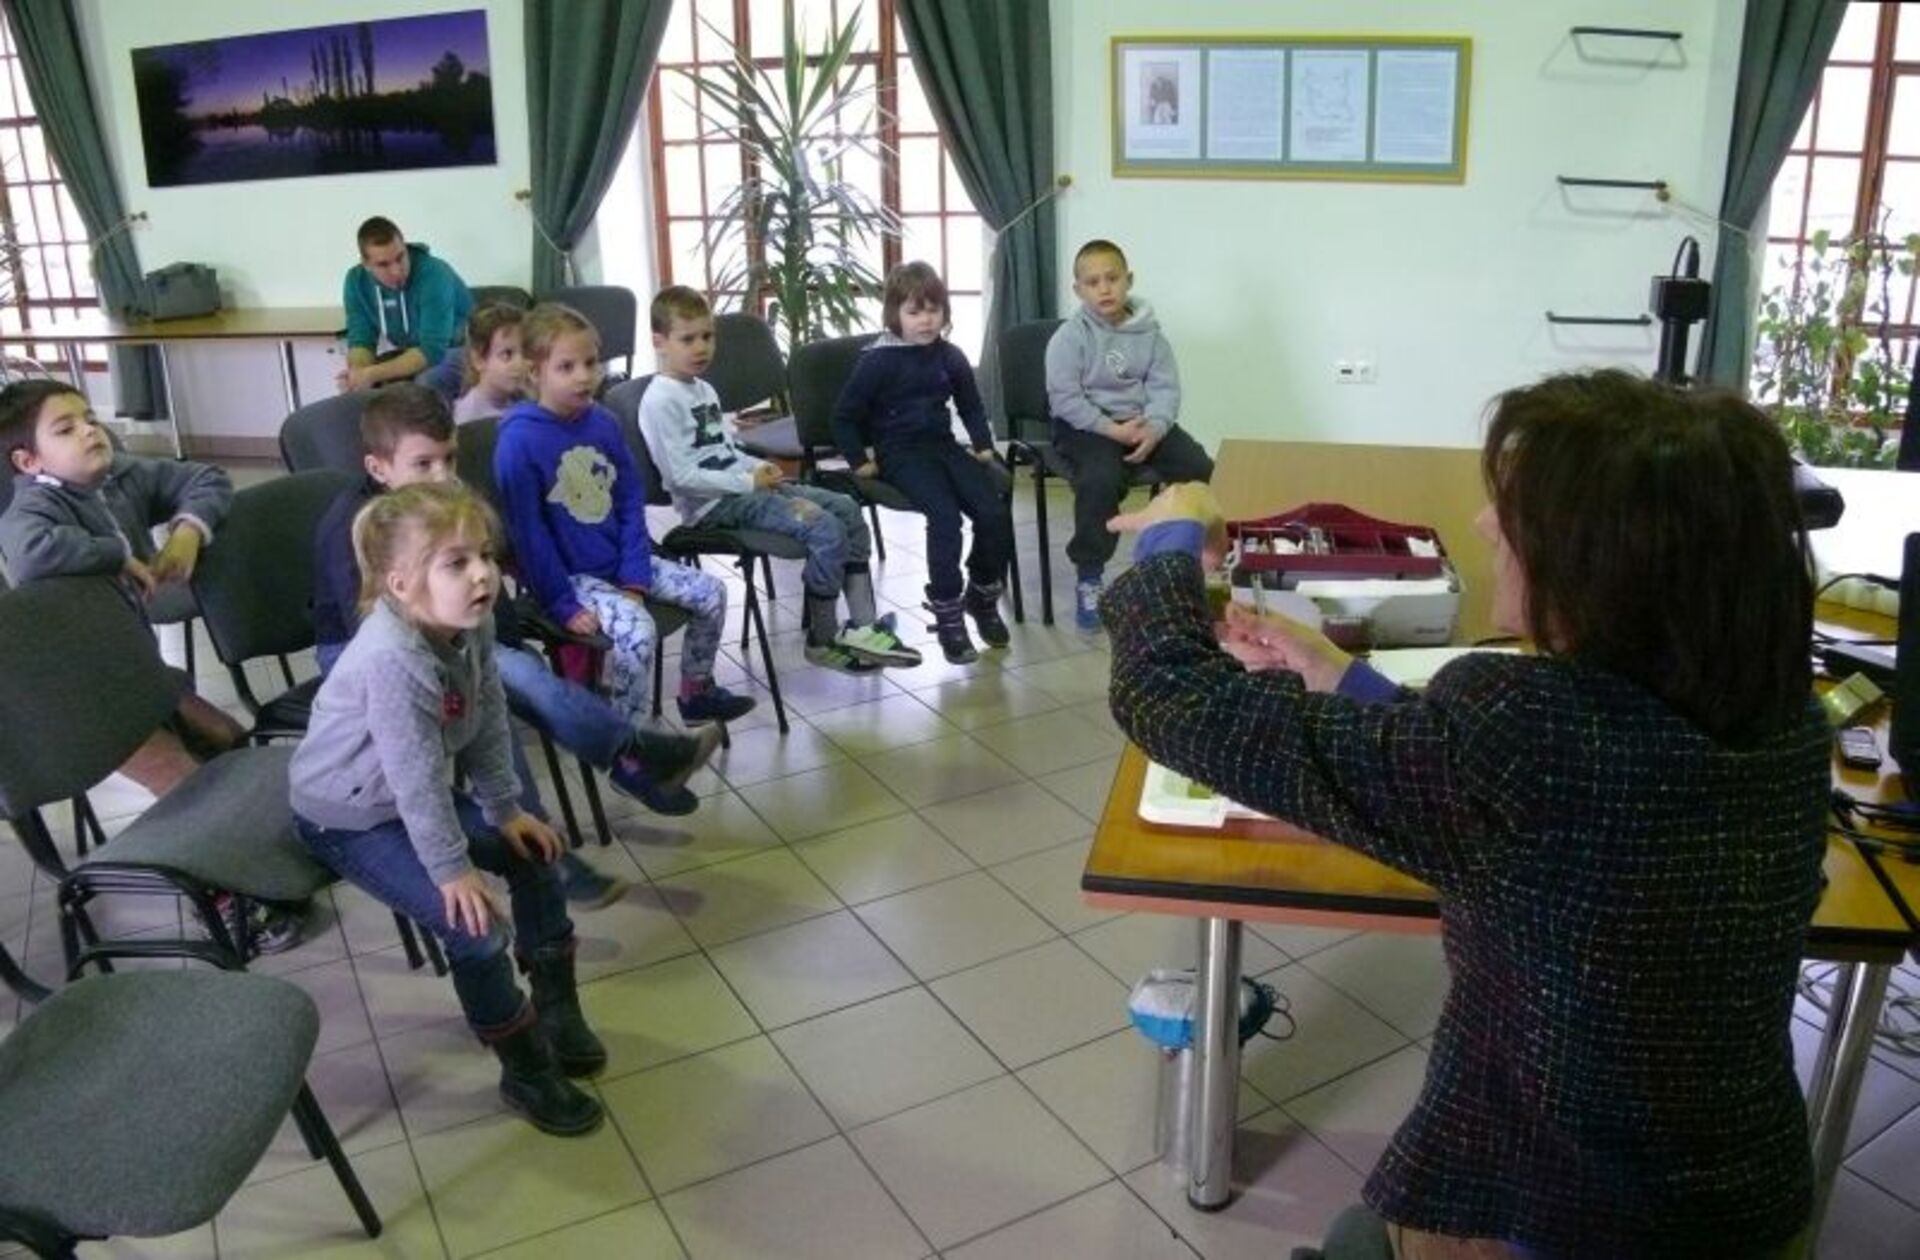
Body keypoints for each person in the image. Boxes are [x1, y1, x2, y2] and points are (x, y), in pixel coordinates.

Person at [1104, 370, 1825, 1260]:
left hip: (1559, 1215)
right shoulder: (1790, 722)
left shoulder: (1523, 733)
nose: (1486, 527)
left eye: (1514, 511)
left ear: (1611, 562)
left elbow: (1174, 697)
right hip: (1749, 1202)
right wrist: (1342, 678)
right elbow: (1549, 807)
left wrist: (1173, 535)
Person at [311, 386, 719, 906]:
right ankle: (572, 823)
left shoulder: (449, 505)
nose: (443, 475)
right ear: (379, 468)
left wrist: (494, 640)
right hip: (367, 650)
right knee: (497, 694)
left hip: (452, 635)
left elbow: (484, 594)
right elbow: (384, 628)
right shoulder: (354, 528)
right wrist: (479, 657)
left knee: (511, 677)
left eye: (449, 458)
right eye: (423, 464)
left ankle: (629, 767)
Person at [292, 481, 606, 1136]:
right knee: (474, 929)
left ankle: (557, 1013)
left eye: (484, 555)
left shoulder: (472, 622)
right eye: (456, 563)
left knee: (535, 854)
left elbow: (487, 716)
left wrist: (505, 809)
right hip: (348, 813)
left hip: (408, 795)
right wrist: (451, 870)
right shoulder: (392, 657)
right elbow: (413, 781)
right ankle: (526, 1073)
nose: (483, 574)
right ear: (402, 585)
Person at [0, 377, 306, 953]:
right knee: (179, 777)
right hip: (75, 691)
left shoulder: (115, 477)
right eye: (65, 428)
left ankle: (257, 863)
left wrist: (188, 532)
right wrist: (117, 553)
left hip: (133, 667)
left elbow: (206, 478)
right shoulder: (32, 506)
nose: (89, 431)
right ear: (29, 461)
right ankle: (225, 901)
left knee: (227, 739)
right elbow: (32, 551)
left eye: (89, 417)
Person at [494, 302, 756, 728]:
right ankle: (625, 742)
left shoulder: (603, 422)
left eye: (591, 363)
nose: (584, 376)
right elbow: (529, 538)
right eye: (566, 367)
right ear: (534, 372)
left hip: (620, 562)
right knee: (638, 631)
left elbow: (630, 500)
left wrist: (634, 573)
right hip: (572, 580)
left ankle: (696, 693)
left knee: (711, 592)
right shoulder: (519, 441)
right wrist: (561, 604)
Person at [637, 285, 921, 675]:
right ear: (659, 342)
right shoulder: (660, 401)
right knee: (824, 528)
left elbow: (723, 449)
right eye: (688, 339)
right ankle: (823, 639)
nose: (701, 347)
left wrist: (756, 467)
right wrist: (747, 481)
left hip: (742, 487)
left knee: (847, 509)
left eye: (707, 336)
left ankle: (864, 627)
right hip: (713, 507)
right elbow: (681, 477)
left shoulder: (703, 390)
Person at [831, 261, 1012, 664]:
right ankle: (948, 614)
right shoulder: (877, 360)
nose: (926, 320)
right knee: (945, 518)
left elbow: (970, 404)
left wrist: (983, 445)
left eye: (934, 310)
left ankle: (981, 596)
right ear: (894, 314)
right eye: (914, 312)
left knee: (993, 512)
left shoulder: (950, 355)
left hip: (943, 446)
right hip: (900, 453)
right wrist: (858, 460)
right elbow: (843, 416)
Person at [1045, 237, 1214, 632]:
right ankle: (1090, 575)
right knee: (1100, 479)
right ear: (1078, 290)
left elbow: (1165, 390)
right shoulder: (1069, 337)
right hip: (1086, 425)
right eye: (1093, 282)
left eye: (1112, 278)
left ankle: (1190, 562)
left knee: (1200, 467)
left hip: (1141, 423)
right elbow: (1065, 399)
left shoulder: (1151, 334)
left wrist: (1155, 428)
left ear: (1129, 280)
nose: (1104, 289)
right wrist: (1112, 430)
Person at [338, 216, 473, 400]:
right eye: (383, 264)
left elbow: (432, 351)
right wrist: (357, 373)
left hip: (463, 350)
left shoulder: (435, 274)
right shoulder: (356, 281)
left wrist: (371, 374)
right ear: (366, 264)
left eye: (400, 257)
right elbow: (361, 340)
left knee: (427, 383)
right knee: (360, 389)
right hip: (414, 350)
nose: (396, 270)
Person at [452, 303, 526, 426]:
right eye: (507, 354)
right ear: (479, 360)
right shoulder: (467, 419)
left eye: (525, 352)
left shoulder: (523, 403)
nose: (520, 363)